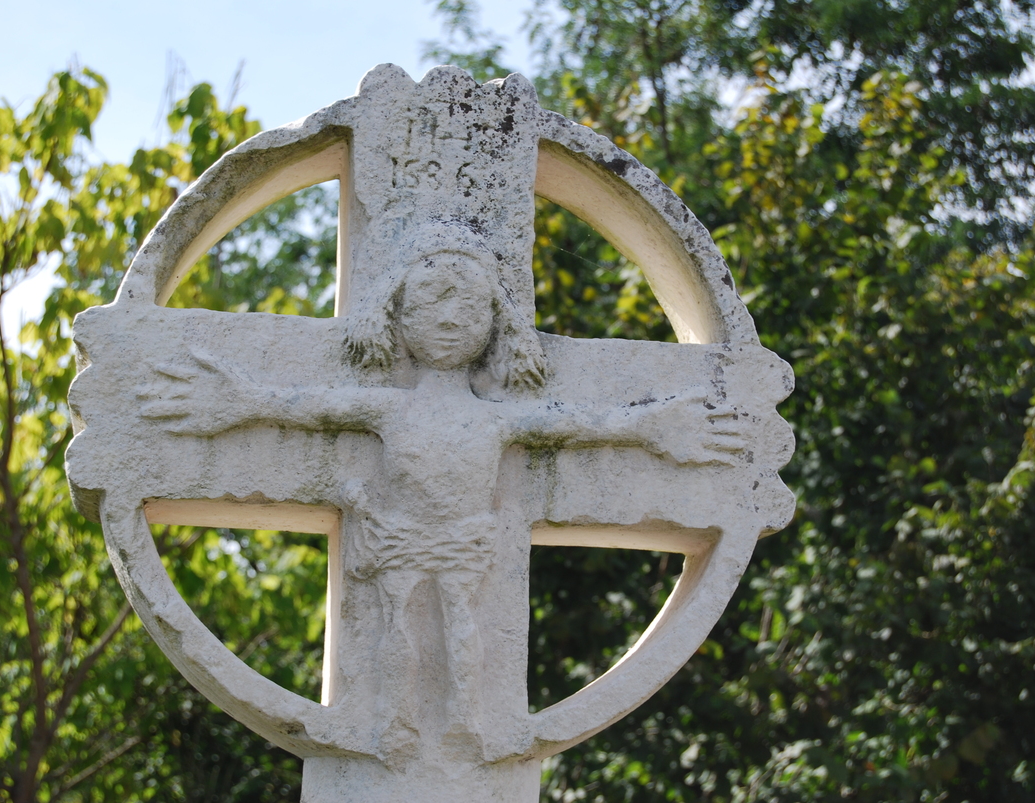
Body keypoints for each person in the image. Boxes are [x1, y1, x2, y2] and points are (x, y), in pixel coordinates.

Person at [139, 223, 745, 762]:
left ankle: (465, 719)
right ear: (397, 319)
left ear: (494, 323)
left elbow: (579, 422)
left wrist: (650, 425)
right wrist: (241, 402)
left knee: (461, 621)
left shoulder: (496, 418)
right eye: (431, 301)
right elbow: (306, 408)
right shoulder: (387, 407)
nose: (452, 318)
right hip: (399, 535)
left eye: (470, 306)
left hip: (463, 538)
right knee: (398, 621)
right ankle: (394, 722)